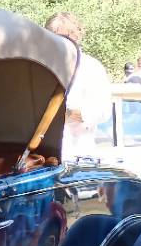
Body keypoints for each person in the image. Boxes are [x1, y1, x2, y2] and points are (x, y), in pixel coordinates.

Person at [45, 12, 111, 162]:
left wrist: (67, 113)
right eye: (52, 38)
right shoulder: (42, 66)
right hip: (43, 159)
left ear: (77, 35)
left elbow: (102, 111)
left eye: (64, 37)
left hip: (76, 157)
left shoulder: (92, 68)